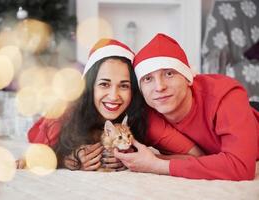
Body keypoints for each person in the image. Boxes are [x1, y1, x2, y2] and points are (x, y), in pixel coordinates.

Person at [19, 38, 203, 171]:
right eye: (104, 84)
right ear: (90, 87)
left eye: (124, 86)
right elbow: (36, 146)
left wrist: (142, 159)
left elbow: (197, 156)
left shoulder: (146, 118)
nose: (114, 96)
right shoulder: (69, 110)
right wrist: (68, 160)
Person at [114, 33, 259, 180]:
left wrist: (156, 165)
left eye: (169, 73)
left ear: (188, 78)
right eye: (148, 78)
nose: (159, 87)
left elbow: (240, 166)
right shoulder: (144, 115)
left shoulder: (226, 95)